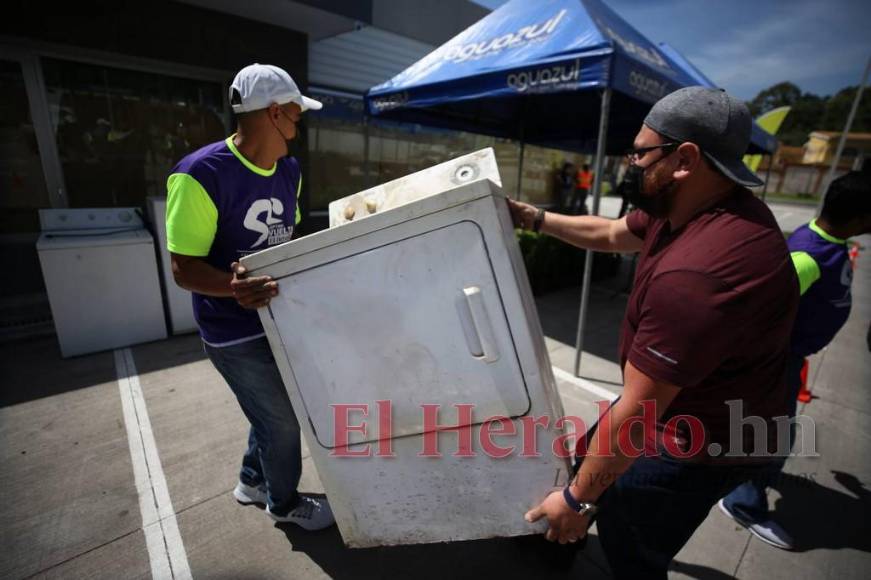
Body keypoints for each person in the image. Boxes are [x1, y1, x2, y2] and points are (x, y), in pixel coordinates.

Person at [509, 86, 798, 579]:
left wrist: (577, 502)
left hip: (694, 444)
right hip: (673, 410)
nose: (631, 163)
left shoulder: (699, 274)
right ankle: (558, 541)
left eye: (640, 152)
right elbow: (610, 234)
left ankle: (581, 529)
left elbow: (639, 415)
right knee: (587, 461)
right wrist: (534, 218)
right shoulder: (692, 207)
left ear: (684, 159)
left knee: (632, 537)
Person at [165, 63, 334, 530]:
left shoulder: (290, 170)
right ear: (275, 112)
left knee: (268, 410)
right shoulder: (199, 174)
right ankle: (282, 504)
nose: (298, 129)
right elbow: (183, 269)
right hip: (231, 333)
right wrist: (231, 287)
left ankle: (251, 481)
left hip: (279, 320)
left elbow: (289, 236)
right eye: (296, 117)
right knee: (282, 422)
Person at [719, 170, 871, 549]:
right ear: (858, 220)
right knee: (770, 440)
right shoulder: (808, 258)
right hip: (776, 365)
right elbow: (755, 312)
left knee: (771, 439)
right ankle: (743, 504)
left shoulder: (828, 241)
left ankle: (743, 485)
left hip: (788, 360)